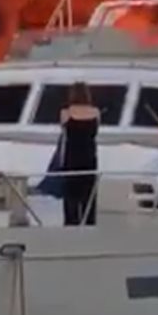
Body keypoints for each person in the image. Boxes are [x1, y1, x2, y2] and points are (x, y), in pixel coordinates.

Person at [60, 82, 101, 226]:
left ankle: (71, 227)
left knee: (71, 200)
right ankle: (89, 228)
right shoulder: (96, 112)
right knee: (89, 199)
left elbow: (64, 132)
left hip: (72, 159)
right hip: (89, 159)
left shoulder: (66, 113)